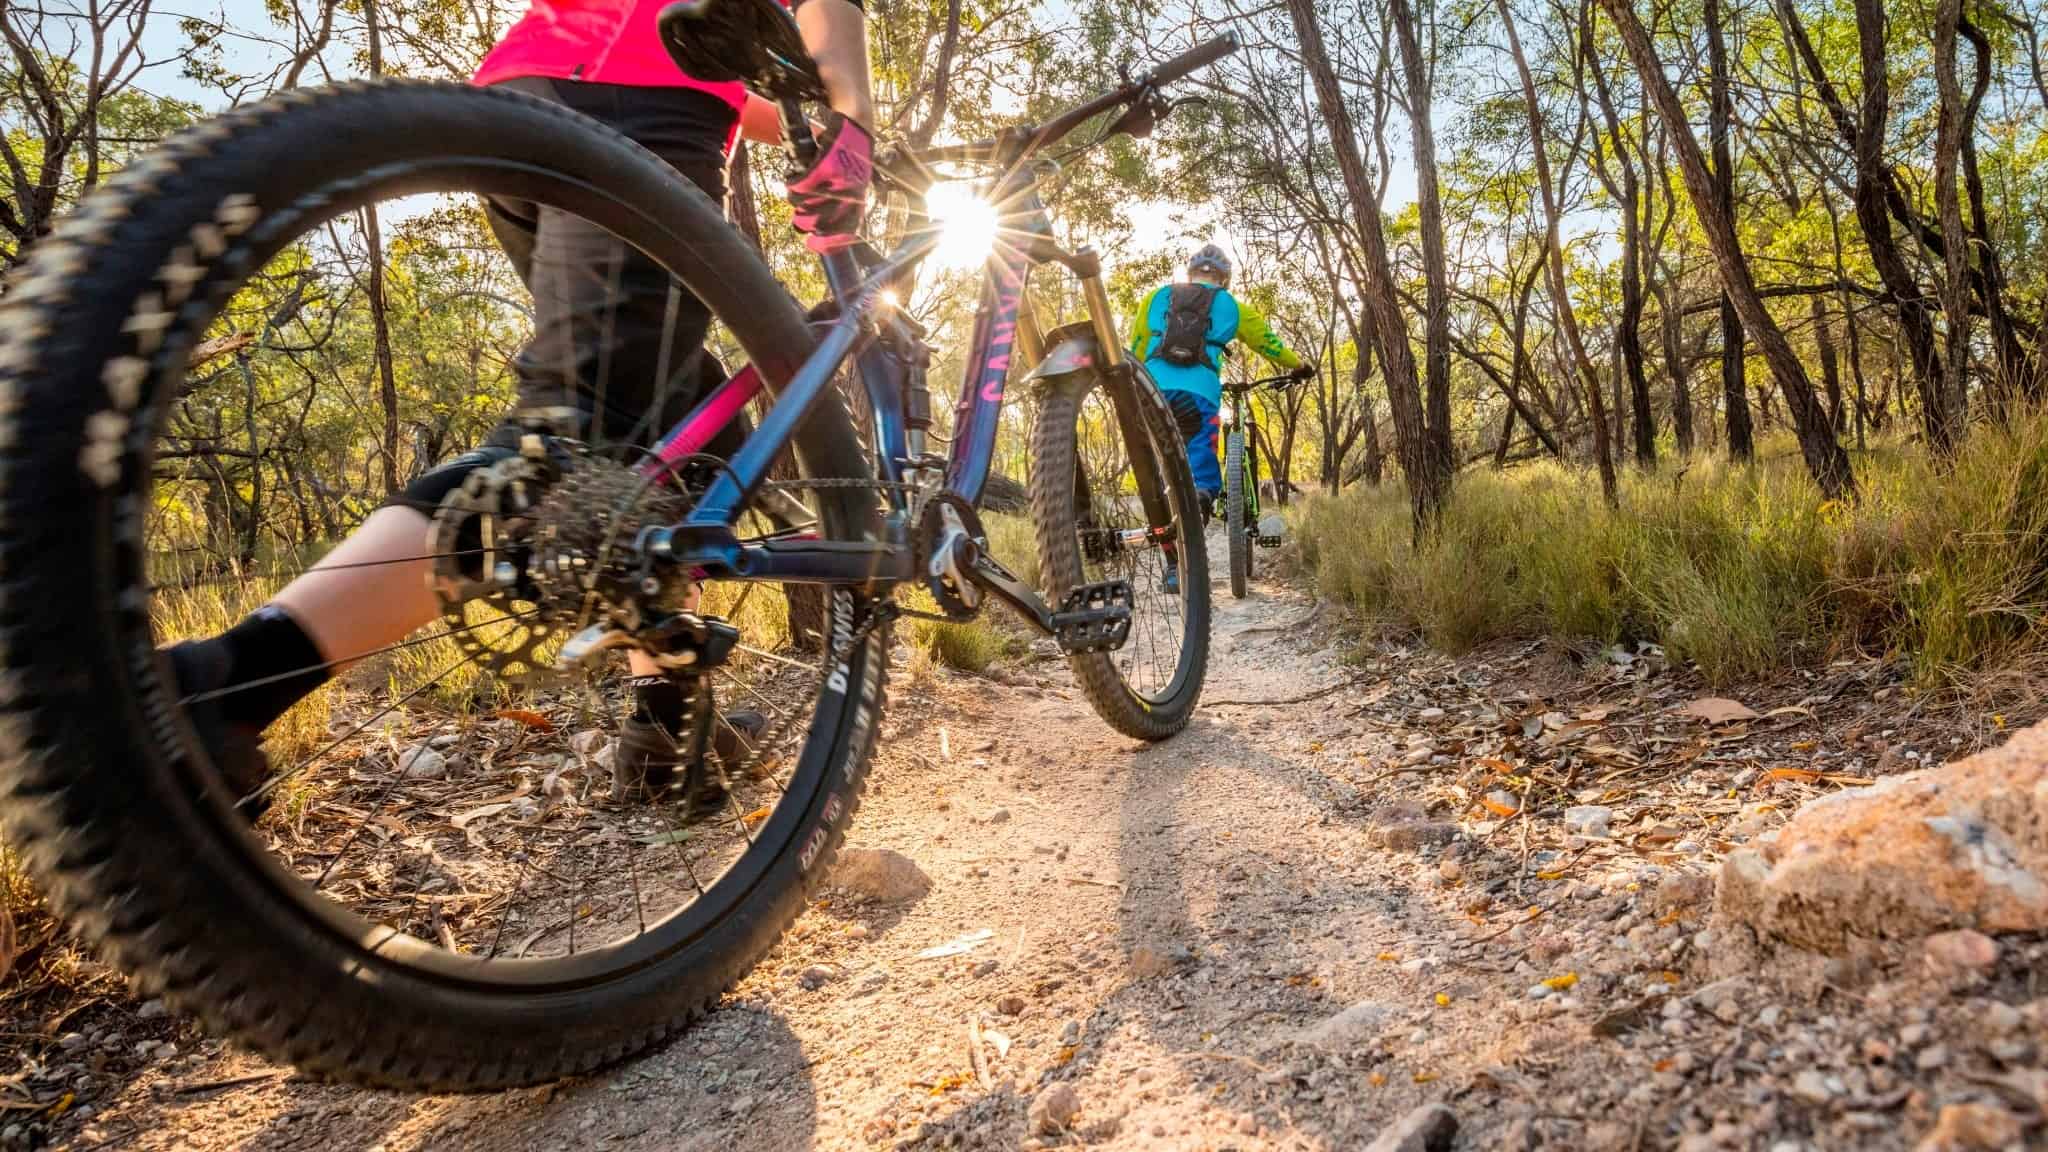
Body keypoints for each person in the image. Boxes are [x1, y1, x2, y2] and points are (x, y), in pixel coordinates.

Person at [168, 0, 879, 820]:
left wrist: (783, 110)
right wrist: (852, 126)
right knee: (578, 433)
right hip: (638, 109)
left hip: (532, 97)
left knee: (682, 426)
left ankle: (666, 727)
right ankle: (228, 684)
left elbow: (740, 94)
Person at [1128, 244, 1313, 586]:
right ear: (1224, 278)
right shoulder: (1231, 306)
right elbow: (1268, 344)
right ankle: (1201, 503)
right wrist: (1299, 366)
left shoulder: (1156, 297)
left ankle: (1173, 568)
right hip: (1198, 394)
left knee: (1161, 476)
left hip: (1151, 393)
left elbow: (1137, 346)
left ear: (1190, 273)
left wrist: (1133, 391)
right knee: (1200, 463)